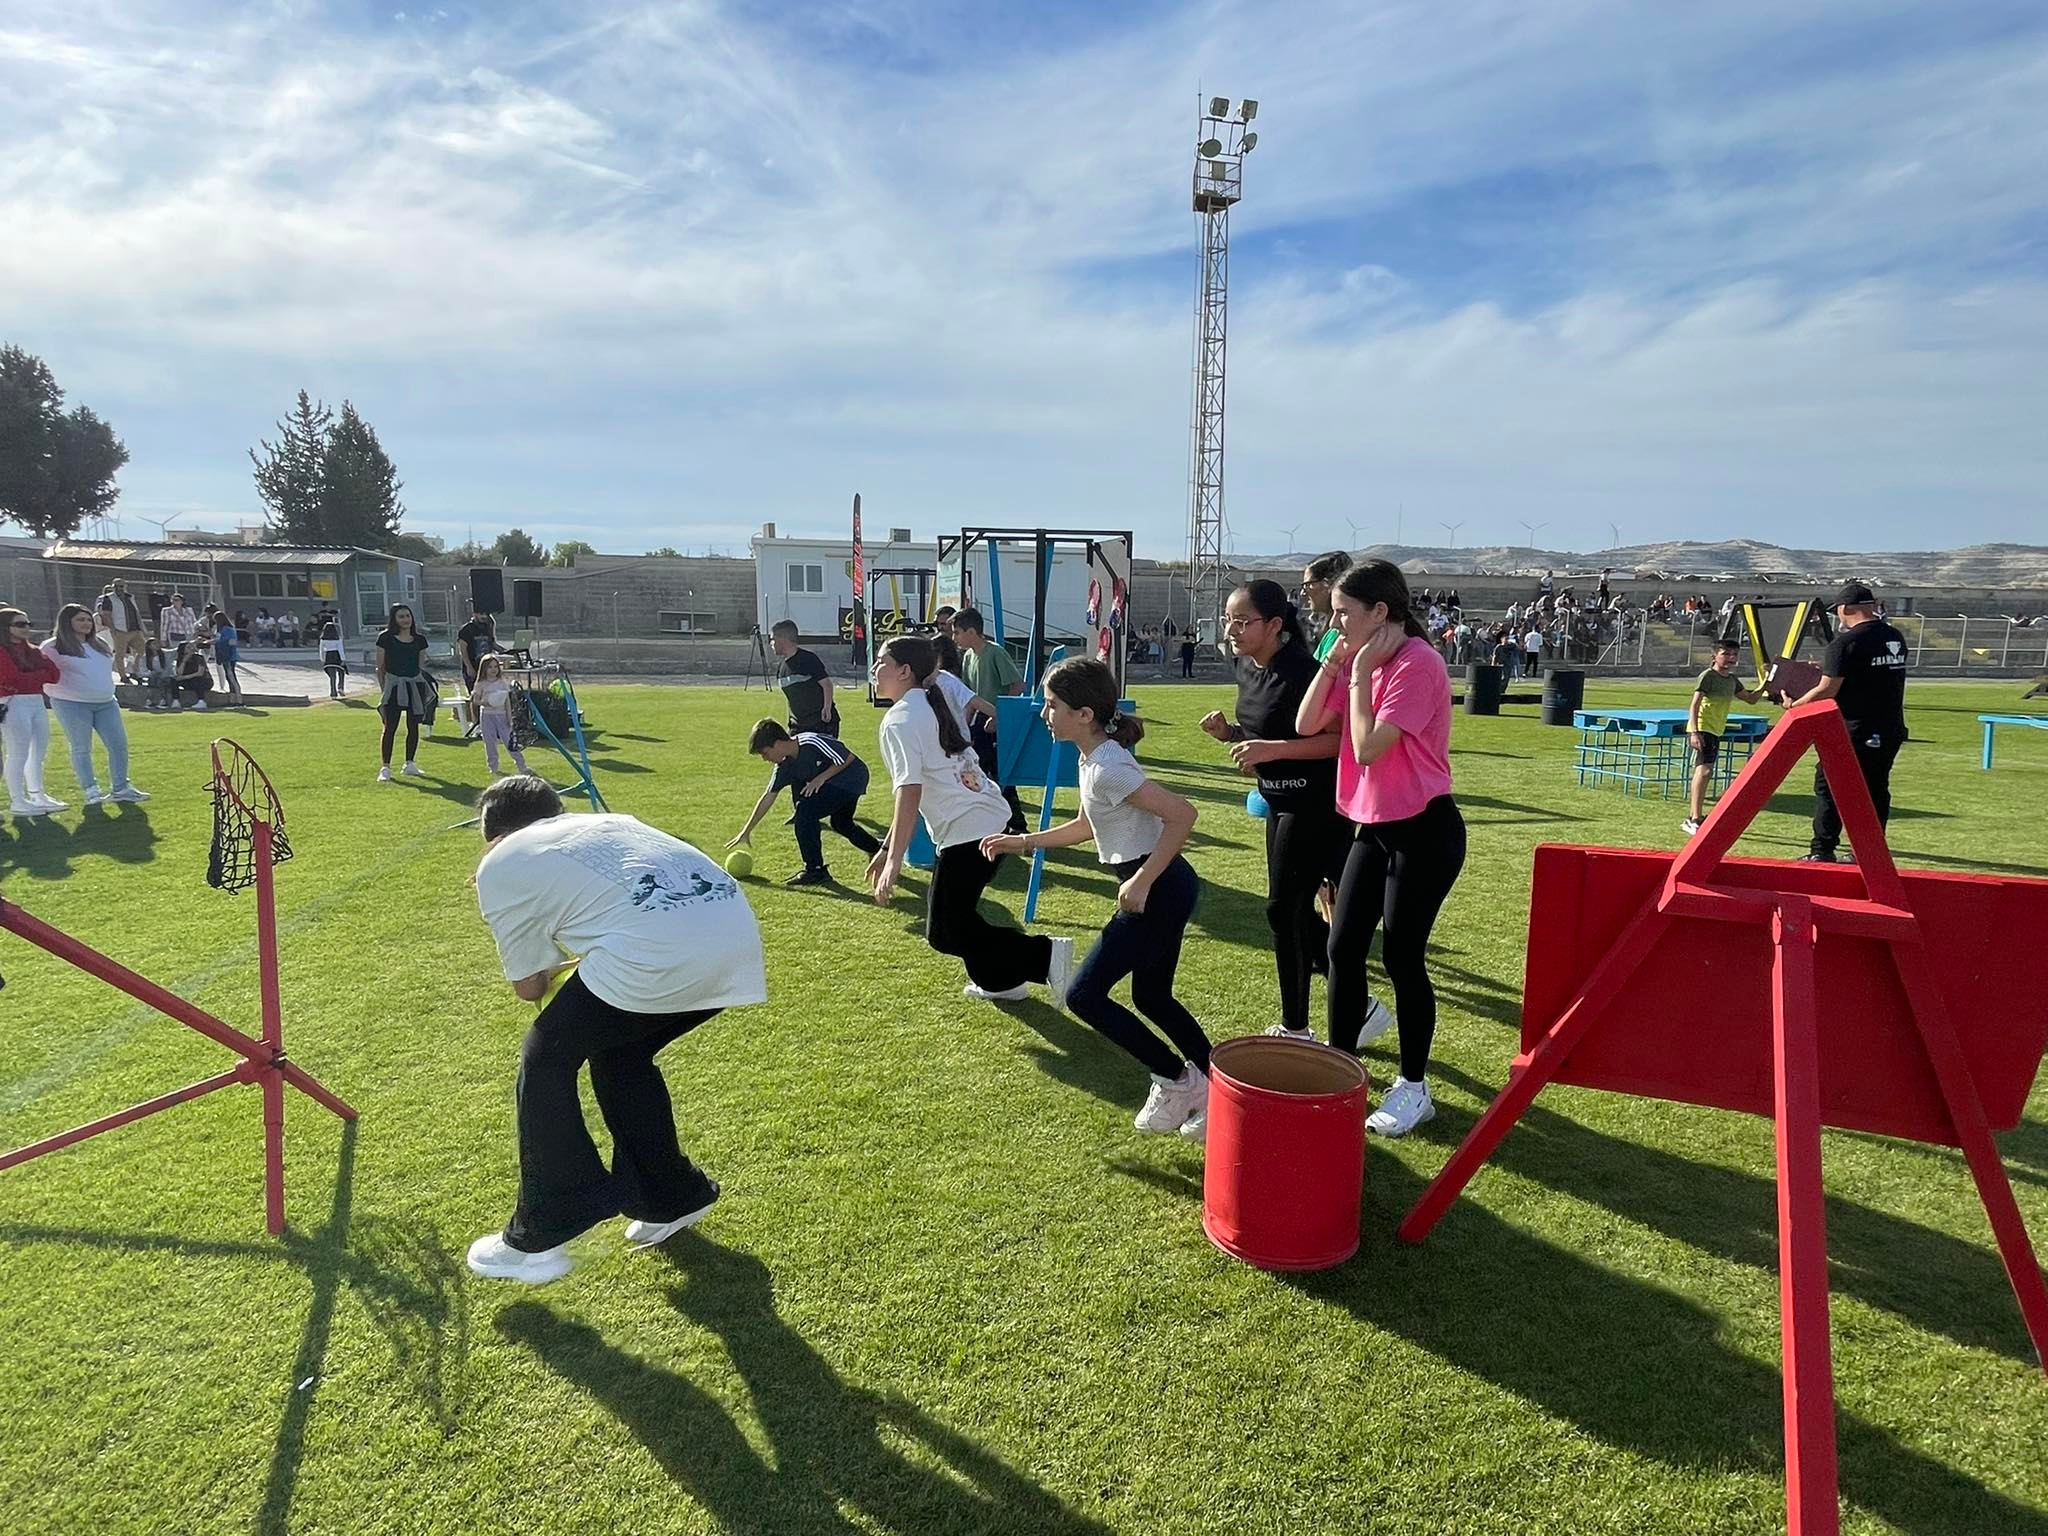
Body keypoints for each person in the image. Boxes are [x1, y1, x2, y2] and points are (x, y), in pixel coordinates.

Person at [466, 775, 768, 1283]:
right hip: (734, 944)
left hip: (660, 957)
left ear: (494, 834)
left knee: (545, 1056)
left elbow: (529, 987)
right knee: (621, 1057)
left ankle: (543, 1234)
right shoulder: (608, 822)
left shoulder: (500, 861)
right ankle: (674, 1196)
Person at [980, 658, 1209, 1136]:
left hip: (1159, 888)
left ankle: (1177, 1080)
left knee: (1084, 994)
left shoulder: (1106, 766)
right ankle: (1215, 1085)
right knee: (1153, 996)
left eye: (1052, 705)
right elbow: (1088, 826)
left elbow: (1183, 816)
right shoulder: (1092, 759)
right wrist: (1019, 841)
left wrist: (1142, 880)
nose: (1045, 714)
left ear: (1084, 714)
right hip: (1160, 884)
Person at [1295, 560, 1463, 1138]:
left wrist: (1362, 669)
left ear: (1381, 612)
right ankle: (1341, 1073)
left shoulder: (1419, 663)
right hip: (1374, 827)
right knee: (1342, 947)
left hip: (1426, 830)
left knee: (1401, 957)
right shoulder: (1353, 654)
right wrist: (1336, 662)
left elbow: (1365, 748)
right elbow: (1306, 721)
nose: (1333, 620)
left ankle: (1414, 1089)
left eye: (1344, 612)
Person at [866, 635, 1073, 1006]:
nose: (874, 670)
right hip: (991, 820)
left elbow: (909, 792)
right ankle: (1001, 982)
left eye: (881, 662)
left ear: (904, 671)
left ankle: (1045, 955)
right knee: (959, 920)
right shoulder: (935, 702)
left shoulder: (898, 720)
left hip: (970, 833)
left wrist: (894, 861)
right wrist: (885, 848)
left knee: (945, 932)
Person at [1200, 580, 1357, 1042]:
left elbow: (1336, 742)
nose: (1232, 629)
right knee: (1288, 912)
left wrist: (1270, 750)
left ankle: (1297, 1026)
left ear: (1274, 625)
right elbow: (1260, 732)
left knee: (1282, 909)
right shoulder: (1247, 668)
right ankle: (1349, 1004)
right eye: (1228, 619)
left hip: (1317, 805)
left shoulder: (1305, 672)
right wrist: (1230, 735)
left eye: (1242, 621)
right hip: (1278, 802)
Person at [1779, 581, 1910, 862]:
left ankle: (1822, 850)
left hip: (1854, 729)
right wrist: (1828, 668)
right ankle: (1870, 852)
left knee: (1830, 786)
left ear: (1845, 609)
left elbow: (1827, 690)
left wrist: (1794, 706)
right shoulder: (1894, 636)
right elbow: (1868, 674)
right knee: (1876, 788)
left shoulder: (1846, 642)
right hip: (1890, 728)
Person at [728, 720, 883, 886]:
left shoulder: (811, 741)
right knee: (840, 823)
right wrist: (747, 830)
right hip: (838, 784)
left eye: (765, 753)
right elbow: (768, 796)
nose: (764, 759)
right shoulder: (784, 765)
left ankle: (815, 871)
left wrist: (820, 778)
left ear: (778, 744)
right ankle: (877, 849)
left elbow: (847, 758)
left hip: (853, 777)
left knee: (805, 813)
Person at [41, 603, 149, 806]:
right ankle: (91, 790)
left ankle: (121, 787)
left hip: (106, 702)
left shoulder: (99, 644)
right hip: (71, 703)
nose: (86, 623)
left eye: (88, 619)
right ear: (67, 622)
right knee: (81, 747)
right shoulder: (52, 647)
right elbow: (45, 673)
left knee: (118, 745)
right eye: (80, 620)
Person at [949, 607, 1027, 834]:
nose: (954, 638)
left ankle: (1014, 825)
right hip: (979, 721)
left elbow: (1017, 685)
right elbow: (971, 697)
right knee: (983, 772)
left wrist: (999, 716)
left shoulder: (995, 653)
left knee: (998, 773)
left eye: (957, 632)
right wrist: (964, 727)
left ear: (971, 632)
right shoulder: (968, 657)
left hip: (997, 720)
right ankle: (1004, 824)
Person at [1683, 639, 1762, 835]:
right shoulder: (1708, 676)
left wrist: (1767, 682)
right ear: (1714, 657)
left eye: (1734, 654)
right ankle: (1694, 818)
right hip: (1703, 727)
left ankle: (1695, 817)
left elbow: (1751, 699)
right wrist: (1694, 731)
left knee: (1705, 771)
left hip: (1716, 729)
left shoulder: (1732, 680)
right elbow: (1694, 704)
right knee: (1704, 771)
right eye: (1726, 654)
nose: (1731, 658)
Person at [0, 607, 64, 816]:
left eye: (28, 624)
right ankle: (18, 800)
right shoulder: (2, 650)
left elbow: (54, 674)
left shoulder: (33, 650)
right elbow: (11, 678)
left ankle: (37, 794)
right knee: (18, 751)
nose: (26, 628)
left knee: (39, 750)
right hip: (13, 702)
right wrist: (37, 674)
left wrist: (30, 675)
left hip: (36, 701)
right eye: (20, 624)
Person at [374, 603, 435, 782]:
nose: (405, 620)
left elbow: (421, 664)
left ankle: (410, 763)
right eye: (401, 616)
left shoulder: (419, 639)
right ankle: (385, 768)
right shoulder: (385, 638)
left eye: (407, 616)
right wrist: (383, 688)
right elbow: (380, 666)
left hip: (414, 685)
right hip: (393, 685)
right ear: (394, 619)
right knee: (390, 726)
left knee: (413, 725)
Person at [770, 619, 838, 737]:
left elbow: (826, 684)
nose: (771, 643)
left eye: (773, 639)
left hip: (820, 723)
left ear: (782, 639)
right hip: (798, 726)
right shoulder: (782, 668)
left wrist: (826, 708)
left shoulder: (808, 659)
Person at [470, 654, 530, 778]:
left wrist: (509, 718)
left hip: (501, 715)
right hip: (487, 716)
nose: (493, 670)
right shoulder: (481, 684)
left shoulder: (502, 683)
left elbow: (507, 701)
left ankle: (521, 765)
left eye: (495, 667)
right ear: (484, 669)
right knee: (489, 741)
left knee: (509, 741)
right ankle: (493, 767)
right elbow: (475, 700)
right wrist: (485, 702)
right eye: (490, 667)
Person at [101, 581, 148, 684]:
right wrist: (113, 629)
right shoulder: (109, 598)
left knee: (142, 649)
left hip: (134, 629)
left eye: (121, 586)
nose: (119, 588)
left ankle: (134, 671)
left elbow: (136, 613)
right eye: (116, 586)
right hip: (120, 630)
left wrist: (142, 628)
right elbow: (106, 614)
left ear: (125, 587)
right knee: (120, 654)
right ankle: (123, 675)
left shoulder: (130, 597)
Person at [212, 611, 243, 705]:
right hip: (224, 656)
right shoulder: (221, 630)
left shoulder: (228, 629)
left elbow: (231, 642)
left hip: (229, 656)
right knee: (228, 677)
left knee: (231, 676)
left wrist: (217, 642)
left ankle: (239, 699)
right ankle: (232, 699)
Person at [174, 639, 213, 709]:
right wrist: (184, 661)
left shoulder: (199, 658)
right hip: (189, 680)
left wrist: (185, 677)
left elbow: (200, 673)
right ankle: (176, 701)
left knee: (197, 679)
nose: (191, 649)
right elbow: (179, 673)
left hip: (203, 681)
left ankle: (202, 701)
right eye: (188, 647)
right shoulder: (180, 659)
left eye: (191, 647)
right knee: (173, 680)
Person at [140, 639, 177, 709]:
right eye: (154, 644)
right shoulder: (145, 658)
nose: (157, 645)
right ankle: (151, 701)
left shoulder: (166, 653)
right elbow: (142, 671)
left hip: (167, 676)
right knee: (152, 679)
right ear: (149, 646)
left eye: (157, 643)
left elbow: (177, 650)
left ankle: (163, 701)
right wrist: (151, 673)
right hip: (154, 677)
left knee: (161, 681)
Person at [319, 619, 348, 698]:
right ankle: (340, 687)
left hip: (328, 656)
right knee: (341, 672)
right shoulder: (338, 638)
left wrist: (322, 659)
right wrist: (343, 659)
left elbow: (321, 650)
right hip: (336, 656)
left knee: (332, 676)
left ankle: (333, 693)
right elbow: (340, 650)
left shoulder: (323, 639)